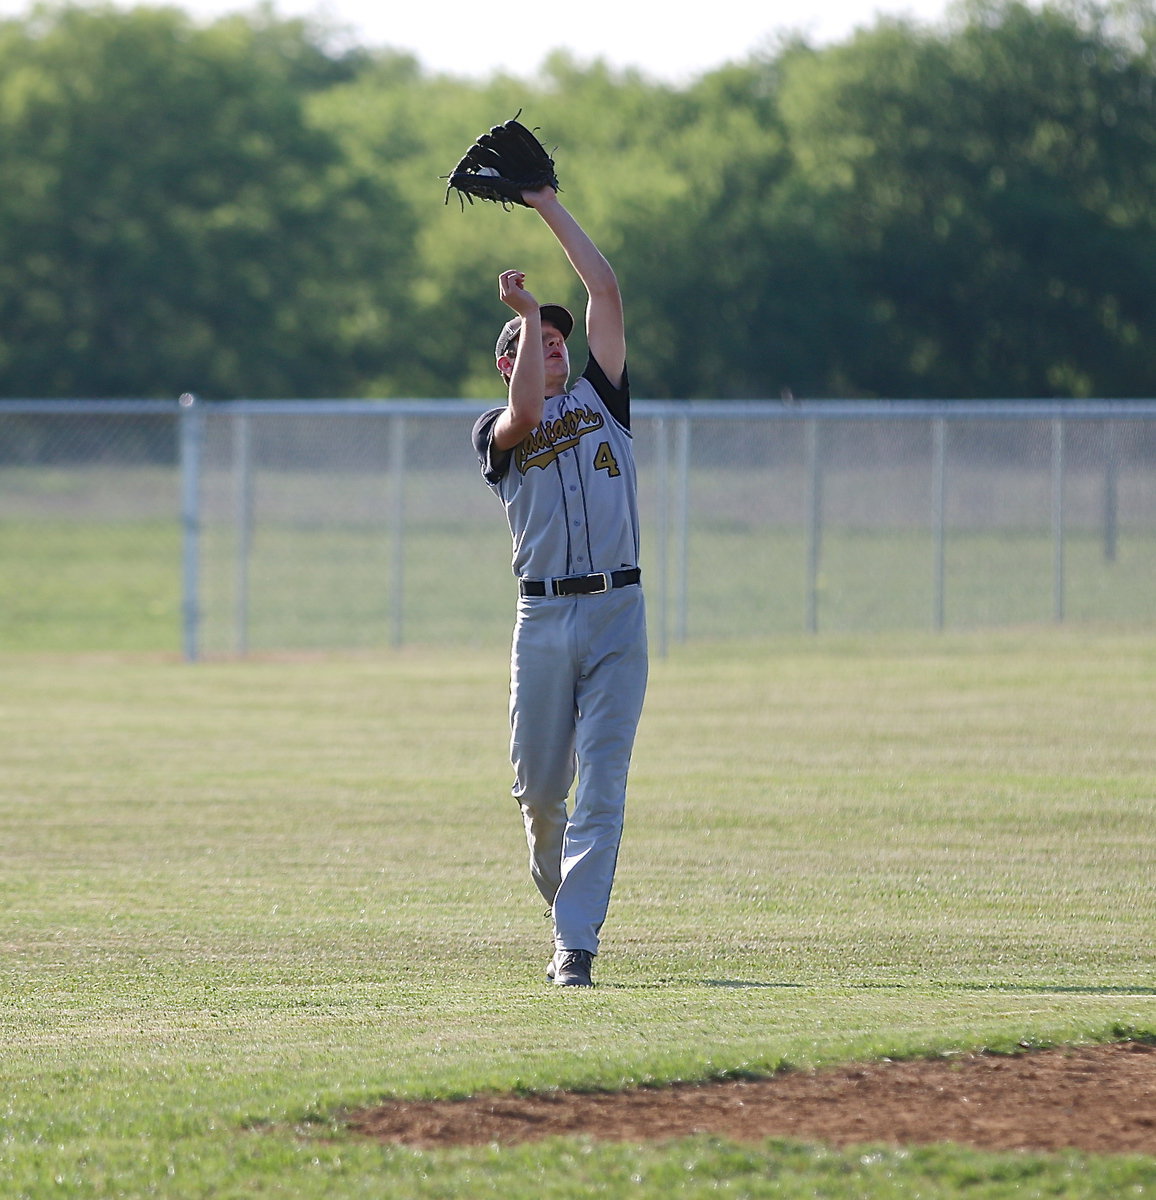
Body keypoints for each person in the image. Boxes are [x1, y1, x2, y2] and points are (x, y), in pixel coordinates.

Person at [470, 187, 648, 988]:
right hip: (542, 620)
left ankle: (575, 946)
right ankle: (563, 907)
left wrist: (544, 202)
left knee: (602, 785)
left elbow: (604, 290)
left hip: (618, 614)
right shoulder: (498, 430)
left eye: (556, 338)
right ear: (508, 365)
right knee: (541, 796)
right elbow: (525, 415)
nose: (553, 345)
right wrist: (527, 304)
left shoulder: (604, 399)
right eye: (535, 340)